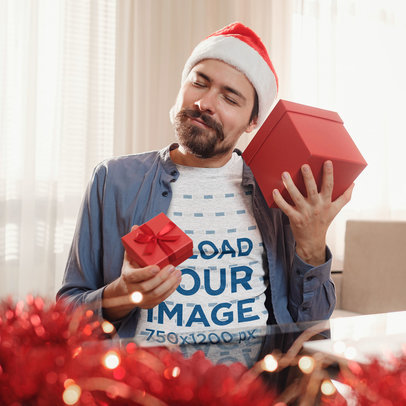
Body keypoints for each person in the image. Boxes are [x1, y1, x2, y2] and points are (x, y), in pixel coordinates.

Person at [57, 22, 353, 342]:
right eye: (199, 83)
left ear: (253, 121)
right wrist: (121, 296)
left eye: (230, 98)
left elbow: (313, 333)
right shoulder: (113, 181)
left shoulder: (279, 193)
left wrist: (311, 245)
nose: (206, 103)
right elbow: (64, 312)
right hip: (145, 385)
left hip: (254, 386)